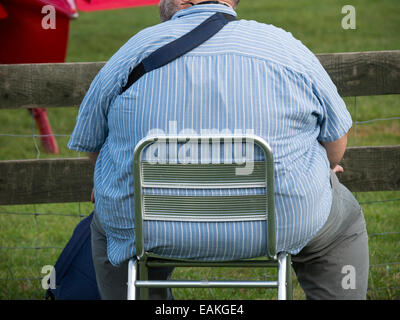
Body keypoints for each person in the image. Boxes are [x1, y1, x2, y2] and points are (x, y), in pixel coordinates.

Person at [68, 0, 369, 300]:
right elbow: (336, 139)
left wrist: (106, 178)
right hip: (281, 222)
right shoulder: (283, 46)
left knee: (114, 231)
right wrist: (325, 168)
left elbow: (91, 140)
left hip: (149, 224)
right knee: (344, 222)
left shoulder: (133, 49)